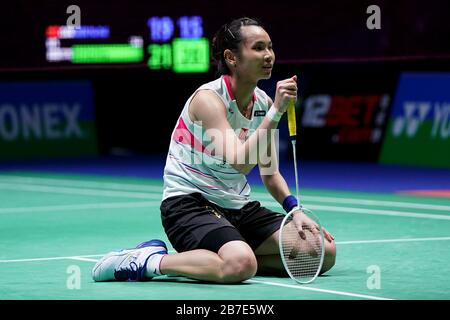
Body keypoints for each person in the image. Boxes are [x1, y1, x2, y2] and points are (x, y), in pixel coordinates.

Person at [92, 17, 336, 284]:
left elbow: (270, 173)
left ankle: (227, 255)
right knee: (239, 263)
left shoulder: (263, 104)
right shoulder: (208, 100)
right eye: (258, 48)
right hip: (188, 205)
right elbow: (239, 163)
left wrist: (295, 209)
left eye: (270, 47)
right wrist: (277, 112)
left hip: (237, 207)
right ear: (231, 57)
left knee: (320, 251)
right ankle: (148, 260)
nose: (268, 56)